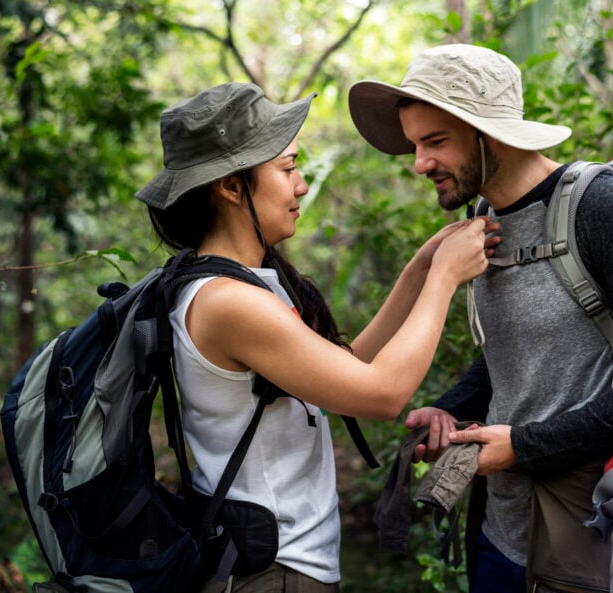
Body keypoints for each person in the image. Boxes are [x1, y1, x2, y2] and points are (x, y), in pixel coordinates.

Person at [347, 44, 613, 593]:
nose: (420, 163)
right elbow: (519, 354)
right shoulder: (484, 220)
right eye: (415, 145)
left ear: (488, 132)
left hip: (602, 539)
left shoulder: (603, 208)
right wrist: (451, 411)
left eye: (435, 142)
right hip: (501, 535)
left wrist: (524, 446)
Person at [134, 81, 495, 593]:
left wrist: (419, 270)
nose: (301, 185)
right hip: (270, 572)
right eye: (287, 169)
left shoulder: (245, 282)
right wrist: (444, 280)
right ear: (232, 187)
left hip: (276, 563)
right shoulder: (226, 302)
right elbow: (381, 394)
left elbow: (345, 369)